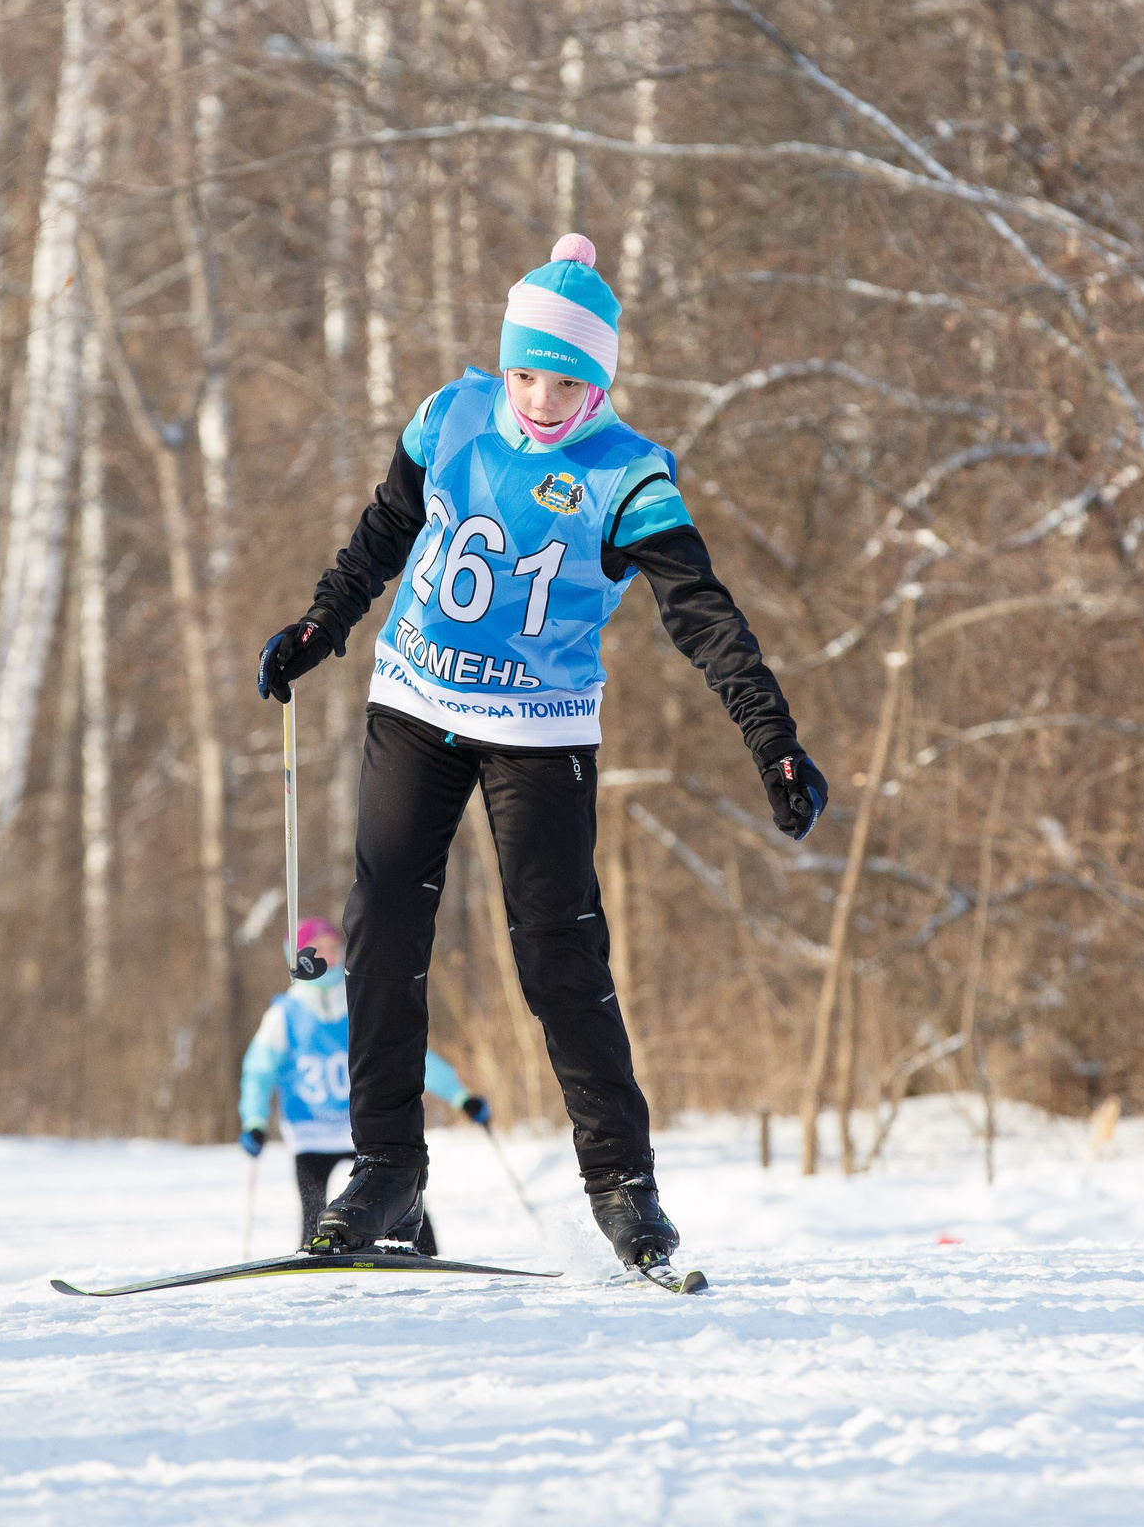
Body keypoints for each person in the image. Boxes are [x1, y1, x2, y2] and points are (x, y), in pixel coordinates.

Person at [256, 234, 827, 1274]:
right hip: (415, 698)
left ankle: (623, 1189)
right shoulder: (451, 416)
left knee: (558, 957)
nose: (539, 398)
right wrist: (320, 625)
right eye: (524, 373)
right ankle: (385, 1169)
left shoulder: (627, 476)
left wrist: (772, 740)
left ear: (598, 379)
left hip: (541, 729)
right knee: (383, 927)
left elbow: (702, 614)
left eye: (564, 381)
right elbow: (384, 532)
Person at [237, 917, 491, 1255]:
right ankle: (316, 1259)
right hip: (309, 1132)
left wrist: (460, 1096)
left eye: (334, 948)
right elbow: (258, 1071)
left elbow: (407, 1057)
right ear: (298, 957)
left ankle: (427, 1254)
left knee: (399, 1193)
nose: (330, 955)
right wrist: (253, 1121)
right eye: (319, 950)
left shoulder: (358, 1003)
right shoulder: (284, 1015)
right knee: (313, 1210)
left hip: (361, 1126)